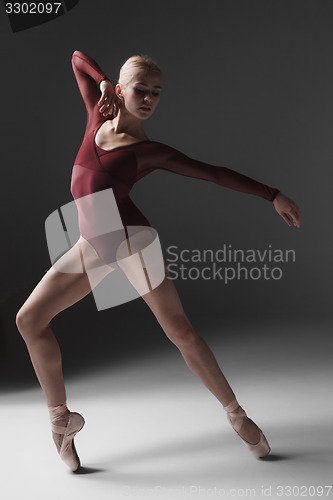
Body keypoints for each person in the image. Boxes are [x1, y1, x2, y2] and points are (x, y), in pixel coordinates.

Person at [16, 49, 301, 472]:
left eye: (156, 93)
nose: (149, 99)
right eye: (140, 90)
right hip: (93, 243)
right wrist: (100, 83)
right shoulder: (97, 114)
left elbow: (214, 173)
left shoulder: (148, 151)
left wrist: (272, 194)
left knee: (180, 332)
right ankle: (62, 422)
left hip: (130, 240)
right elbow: (77, 58)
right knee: (29, 320)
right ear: (120, 89)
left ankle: (237, 414)